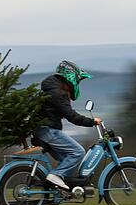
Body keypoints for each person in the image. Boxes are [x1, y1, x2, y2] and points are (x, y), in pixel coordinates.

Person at [35, 60, 101, 190]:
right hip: (49, 131)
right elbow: (72, 116)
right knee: (77, 152)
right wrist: (92, 122)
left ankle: (62, 188)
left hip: (43, 131)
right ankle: (56, 175)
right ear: (70, 77)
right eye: (78, 80)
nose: (77, 84)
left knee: (67, 158)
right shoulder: (59, 93)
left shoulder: (53, 90)